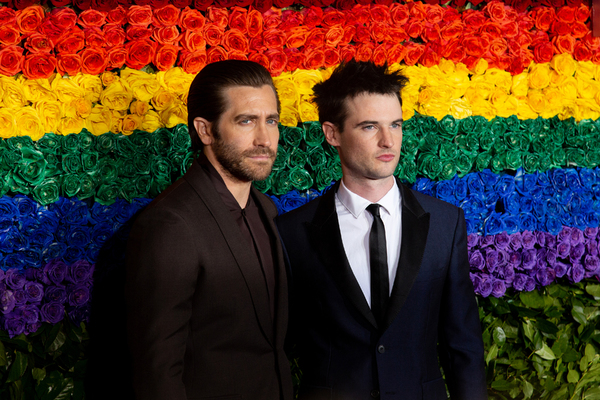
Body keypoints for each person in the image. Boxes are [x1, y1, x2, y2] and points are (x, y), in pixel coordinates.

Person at [276, 60, 487, 400]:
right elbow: (276, 349)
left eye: (396, 125)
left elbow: (463, 345)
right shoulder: (291, 232)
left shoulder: (446, 223)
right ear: (332, 134)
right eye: (369, 127)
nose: (388, 140)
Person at [126, 60, 293, 400]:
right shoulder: (170, 225)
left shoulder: (267, 209)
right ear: (205, 130)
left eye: (271, 121)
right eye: (246, 121)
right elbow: (157, 373)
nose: (264, 138)